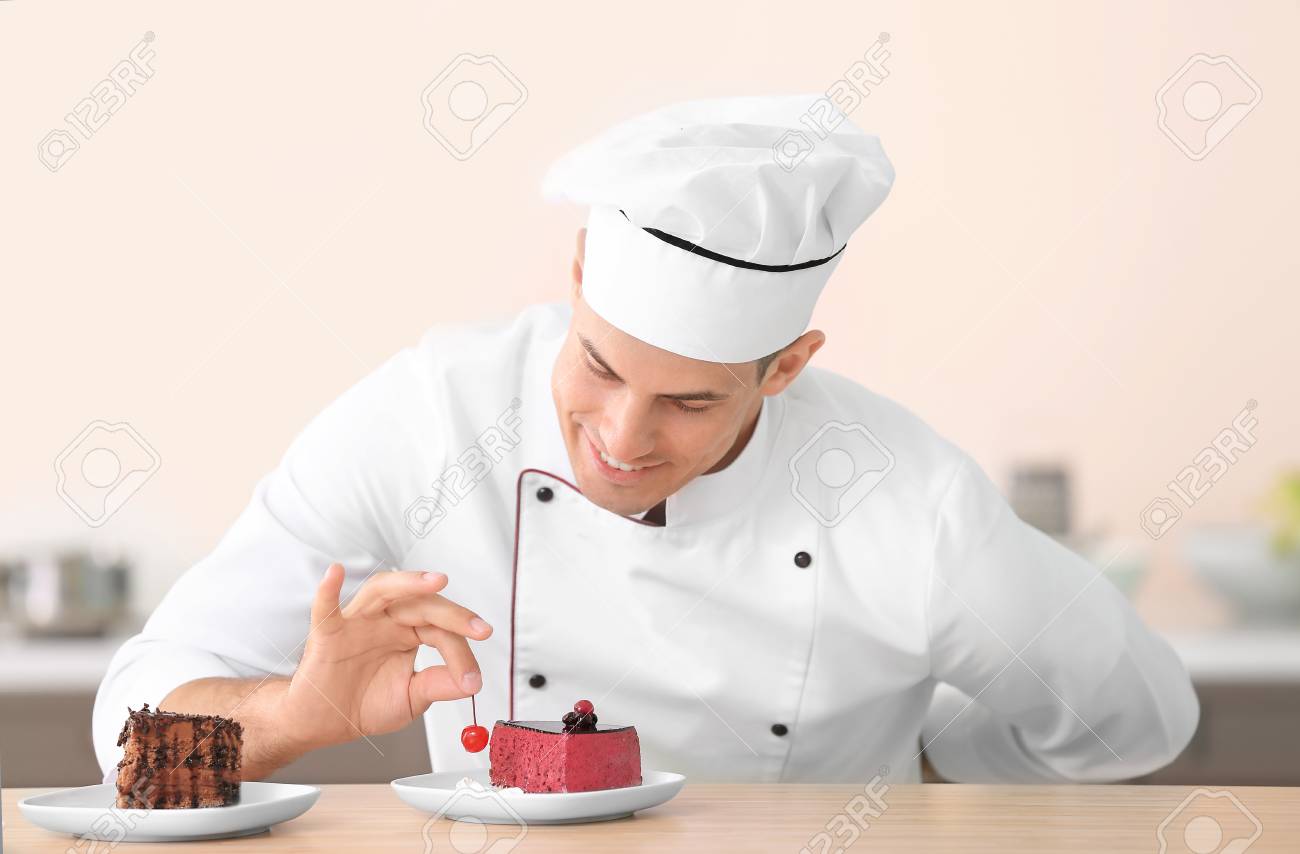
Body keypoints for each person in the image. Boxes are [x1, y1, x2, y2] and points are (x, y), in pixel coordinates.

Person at [93, 95, 1198, 784]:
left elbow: (1136, 720)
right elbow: (128, 747)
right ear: (574, 278)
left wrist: (929, 759)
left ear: (787, 367)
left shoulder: (904, 499)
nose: (619, 438)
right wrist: (291, 716)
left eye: (691, 402)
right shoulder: (432, 415)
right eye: (601, 366)